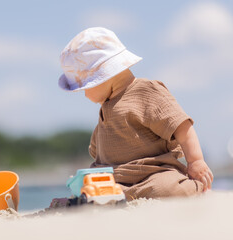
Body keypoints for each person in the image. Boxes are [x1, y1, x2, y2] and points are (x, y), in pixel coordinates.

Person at [58, 27, 213, 201]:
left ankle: (198, 189)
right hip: (115, 179)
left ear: (104, 75)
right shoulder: (107, 107)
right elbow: (99, 146)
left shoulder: (145, 91)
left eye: (85, 88)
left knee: (164, 188)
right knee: (89, 189)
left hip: (152, 173)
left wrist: (195, 161)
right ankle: (91, 199)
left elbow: (182, 126)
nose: (86, 95)